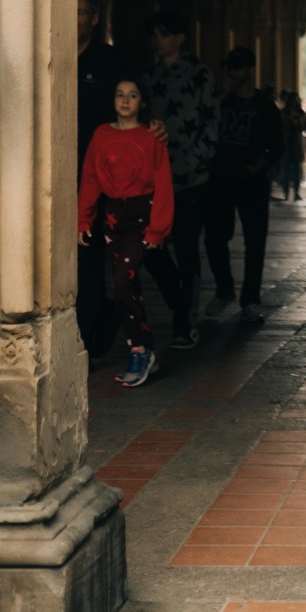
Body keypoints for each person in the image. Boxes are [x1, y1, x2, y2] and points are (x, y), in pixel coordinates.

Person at [78, 77, 174, 389]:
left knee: (123, 281)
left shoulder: (152, 137)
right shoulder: (101, 135)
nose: (125, 100)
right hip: (112, 218)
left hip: (141, 216)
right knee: (124, 284)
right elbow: (91, 177)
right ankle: (145, 351)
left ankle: (140, 350)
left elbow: (163, 183)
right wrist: (83, 219)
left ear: (142, 102)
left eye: (133, 95)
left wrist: (158, 229)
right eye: (119, 94)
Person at [146, 8, 219, 351]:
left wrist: (195, 162)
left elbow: (210, 122)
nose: (157, 40)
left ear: (179, 38)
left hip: (191, 178)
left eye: (163, 34)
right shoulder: (149, 78)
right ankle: (178, 301)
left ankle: (184, 322)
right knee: (152, 248)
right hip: (156, 178)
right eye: (154, 34)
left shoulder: (198, 74)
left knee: (188, 249)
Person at [203, 48, 283, 326]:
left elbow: (277, 143)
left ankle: (249, 300)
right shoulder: (220, 100)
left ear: (249, 70)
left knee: (255, 241)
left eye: (236, 69)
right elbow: (204, 122)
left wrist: (261, 162)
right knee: (214, 237)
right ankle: (224, 289)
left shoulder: (264, 105)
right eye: (228, 69)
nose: (231, 74)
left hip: (251, 183)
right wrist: (221, 95)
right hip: (221, 178)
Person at [76, 0, 133, 357]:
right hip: (52, 173)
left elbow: (131, 113)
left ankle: (85, 339)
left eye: (80, 12)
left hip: (97, 178)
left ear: (95, 19)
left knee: (89, 258)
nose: (72, 19)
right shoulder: (48, 53)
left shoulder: (111, 63)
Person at [277, 92, 305, 201]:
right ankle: (286, 192)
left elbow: (302, 127)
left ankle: (296, 192)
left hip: (296, 144)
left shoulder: (300, 113)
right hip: (286, 144)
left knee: (296, 170)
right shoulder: (283, 113)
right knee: (285, 169)